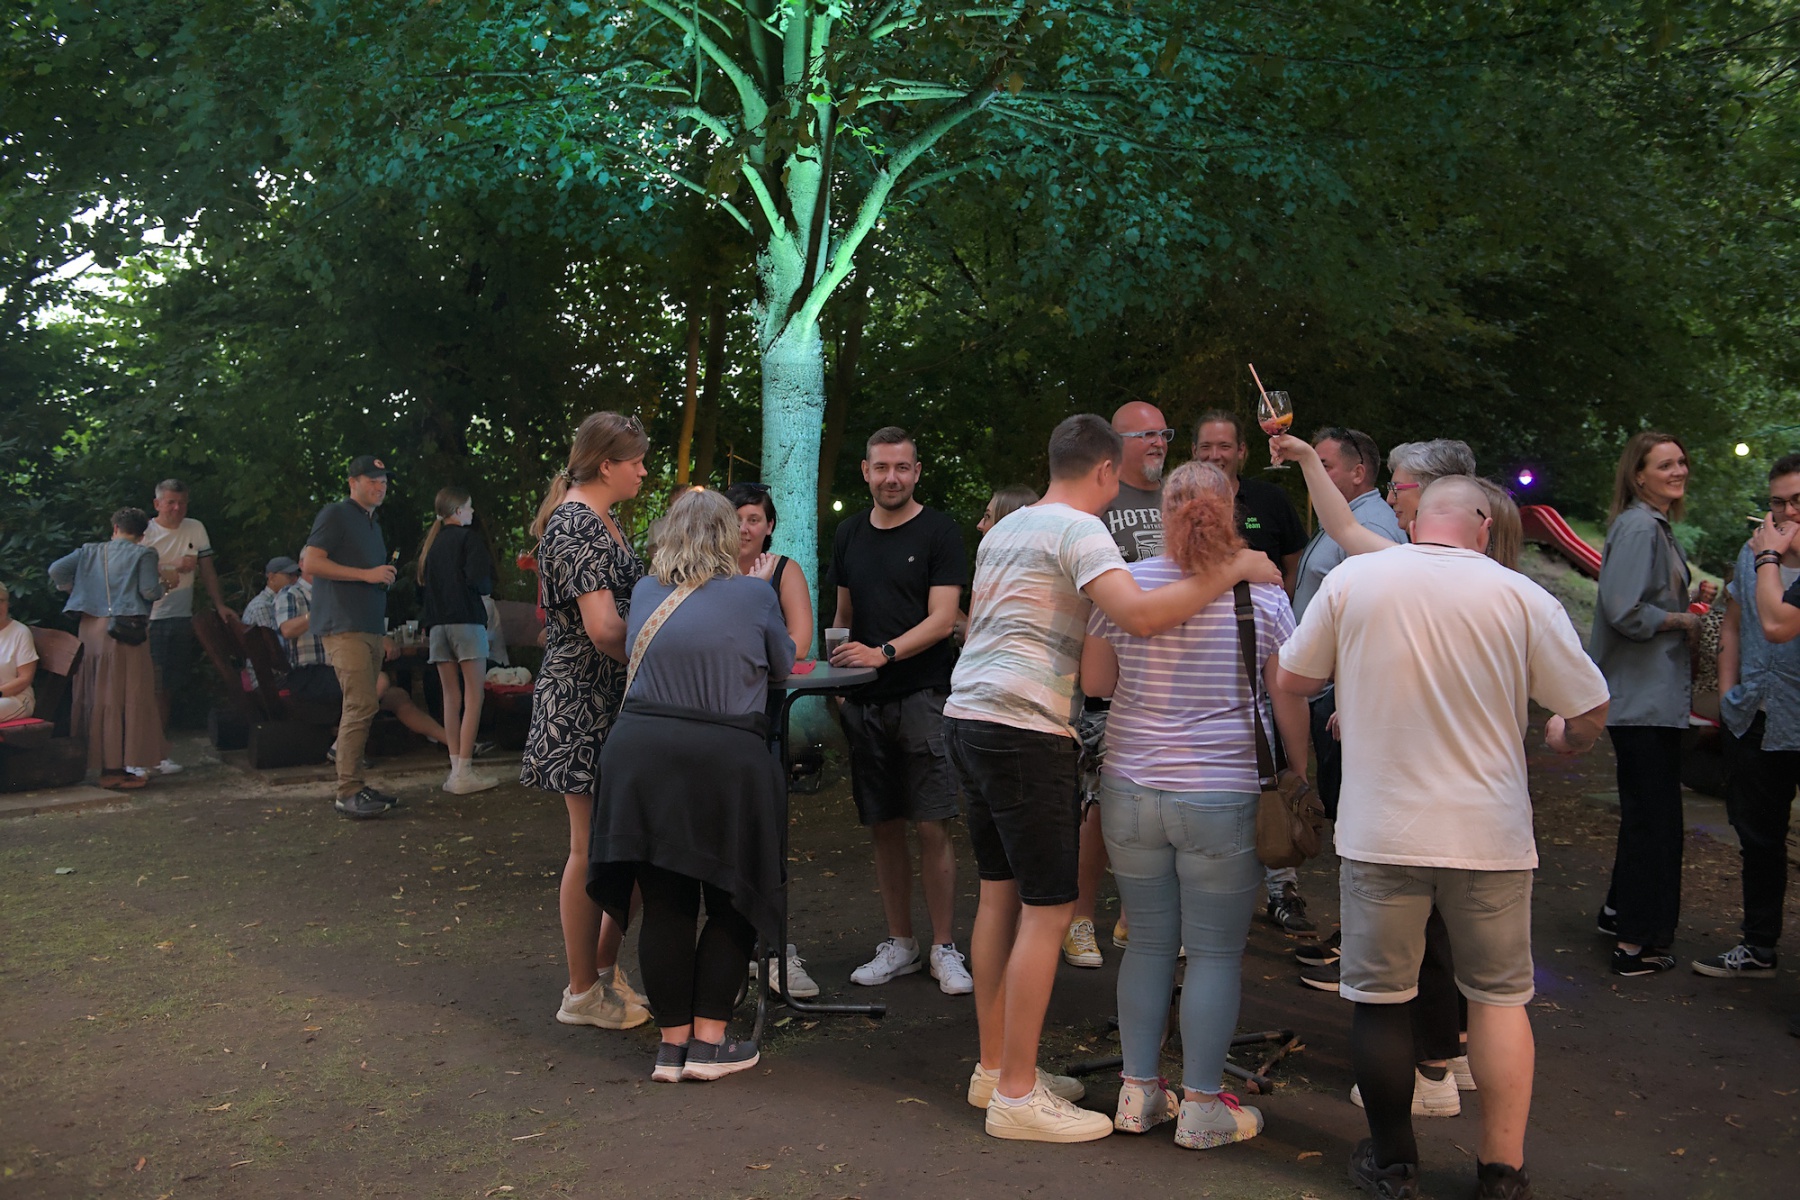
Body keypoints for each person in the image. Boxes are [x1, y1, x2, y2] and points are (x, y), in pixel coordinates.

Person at [944, 413, 1281, 1143]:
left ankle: (994, 1067)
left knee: (999, 894)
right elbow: (1140, 617)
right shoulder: (1082, 530)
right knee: (1048, 910)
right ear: (1104, 470)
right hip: (1027, 726)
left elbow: (1097, 664)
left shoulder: (1007, 526)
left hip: (968, 713)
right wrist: (1232, 569)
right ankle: (1017, 1095)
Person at [1274, 476, 1611, 1200]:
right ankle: (1502, 1172)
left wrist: (1357, 688)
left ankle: (1394, 1164)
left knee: (1381, 1000)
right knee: (1498, 1000)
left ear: (1414, 521)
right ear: (1484, 528)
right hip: (1489, 835)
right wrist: (1565, 736)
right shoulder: (1521, 596)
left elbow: (1294, 678)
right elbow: (1589, 708)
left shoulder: (1356, 579)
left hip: (1382, 831)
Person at [1080, 461, 1307, 1149]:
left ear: (1162, 511)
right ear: (1231, 507)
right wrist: (1302, 772)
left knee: (1147, 943)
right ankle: (1204, 1106)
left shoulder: (1125, 587)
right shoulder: (1263, 594)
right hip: (1223, 791)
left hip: (1130, 788)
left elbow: (1096, 683)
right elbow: (1287, 694)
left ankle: (1138, 1092)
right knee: (1213, 953)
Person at [589, 488, 795, 1082]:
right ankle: (709, 1044)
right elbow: (783, 665)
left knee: (665, 903)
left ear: (669, 535)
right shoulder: (755, 594)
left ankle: (670, 1047)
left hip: (641, 757)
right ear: (729, 537)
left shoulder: (645, 592)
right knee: (733, 895)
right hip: (723, 760)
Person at [1267, 433, 1476, 938]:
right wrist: (1306, 458)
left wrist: (1349, 692)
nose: (1389, 497)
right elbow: (1343, 527)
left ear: (1434, 495)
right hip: (1434, 760)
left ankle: (1371, 947)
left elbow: (1298, 674)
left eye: (1397, 487)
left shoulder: (1408, 566)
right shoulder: (1451, 569)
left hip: (1415, 747)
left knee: (1390, 849)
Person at [519, 412, 652, 1033]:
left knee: (625, 845)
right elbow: (602, 630)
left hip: (608, 699)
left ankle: (602, 971)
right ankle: (580, 991)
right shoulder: (576, 524)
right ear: (606, 465)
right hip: (581, 702)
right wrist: (667, 656)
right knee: (589, 847)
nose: (644, 472)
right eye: (636, 462)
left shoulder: (603, 520)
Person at [829, 427, 972, 996]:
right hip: (864, 701)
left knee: (933, 823)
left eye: (902, 467)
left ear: (917, 472)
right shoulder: (848, 533)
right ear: (865, 471)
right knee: (883, 825)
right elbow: (843, 615)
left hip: (924, 695)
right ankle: (901, 943)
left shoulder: (939, 530)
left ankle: (944, 947)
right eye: (882, 467)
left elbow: (944, 618)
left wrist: (882, 653)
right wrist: (841, 683)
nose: (892, 478)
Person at [1589, 431, 1704, 976]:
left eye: (1681, 462)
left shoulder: (1654, 526)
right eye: (1665, 465)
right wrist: (1683, 620)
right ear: (1638, 476)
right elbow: (1623, 610)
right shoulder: (1639, 527)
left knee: (1646, 814)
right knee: (1655, 823)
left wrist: (1686, 602)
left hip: (1651, 697)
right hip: (1641, 698)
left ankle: (1619, 912)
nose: (1678, 471)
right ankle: (1637, 943)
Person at [1067, 401, 1171, 969]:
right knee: (1100, 802)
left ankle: (1136, 916)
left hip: (1170, 678)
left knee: (1156, 804)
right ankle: (1080, 918)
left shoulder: (1176, 500)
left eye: (1163, 433)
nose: (1158, 442)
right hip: (1106, 676)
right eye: (1145, 434)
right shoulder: (1098, 504)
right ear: (1116, 445)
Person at [1692, 454, 1800, 980]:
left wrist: (1771, 559)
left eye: (1798, 501)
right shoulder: (1751, 552)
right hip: (1756, 715)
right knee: (1758, 838)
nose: (1787, 512)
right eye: (1778, 502)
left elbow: (1779, 624)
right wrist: (1730, 690)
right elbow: (1732, 622)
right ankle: (1758, 947)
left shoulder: (1769, 558)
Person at [303, 456, 404, 820]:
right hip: (344, 626)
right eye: (372, 480)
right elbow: (310, 563)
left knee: (365, 705)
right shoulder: (335, 514)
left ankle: (355, 784)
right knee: (360, 705)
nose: (380, 486)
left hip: (368, 626)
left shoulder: (371, 523)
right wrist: (367, 575)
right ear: (352, 482)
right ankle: (347, 791)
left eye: (384, 481)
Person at [273, 561, 450, 750]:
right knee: (379, 681)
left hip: (338, 671)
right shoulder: (291, 594)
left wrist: (381, 637)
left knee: (398, 697)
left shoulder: (335, 594)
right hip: (308, 675)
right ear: (304, 564)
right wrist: (317, 612)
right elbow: (287, 630)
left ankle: (457, 745)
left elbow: (358, 627)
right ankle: (341, 745)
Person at [48, 508, 167, 790]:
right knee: (124, 695)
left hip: (90, 630)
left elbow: (56, 570)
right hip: (124, 633)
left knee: (97, 694)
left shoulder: (89, 551)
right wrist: (166, 585)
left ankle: (107, 765)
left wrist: (77, 590)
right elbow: (149, 592)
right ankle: (113, 770)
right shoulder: (144, 554)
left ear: (115, 528)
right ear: (142, 534)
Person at [142, 479, 237, 775]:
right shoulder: (144, 532)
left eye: (182, 503)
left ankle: (157, 752)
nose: (177, 508)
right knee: (149, 687)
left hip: (180, 616)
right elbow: (129, 569)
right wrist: (169, 567)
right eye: (171, 502)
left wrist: (219, 604)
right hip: (148, 618)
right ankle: (139, 754)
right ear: (157, 503)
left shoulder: (195, 528)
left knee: (167, 687)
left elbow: (207, 569)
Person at [418, 486, 498, 795]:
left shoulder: (433, 546)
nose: (472, 512)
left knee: (450, 697)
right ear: (457, 511)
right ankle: (465, 769)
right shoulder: (469, 539)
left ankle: (454, 769)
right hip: (466, 622)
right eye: (469, 507)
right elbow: (480, 581)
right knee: (474, 696)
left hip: (438, 627)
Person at [1192, 411, 1307, 589]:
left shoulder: (1271, 498)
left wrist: (1279, 604)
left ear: (1241, 450)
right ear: (1194, 451)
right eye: (1206, 446)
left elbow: (1296, 567)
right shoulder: (1181, 504)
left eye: (1224, 446)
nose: (1214, 455)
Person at [727, 483, 814, 659]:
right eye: (735, 520)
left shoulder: (786, 570)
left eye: (753, 520)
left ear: (769, 526)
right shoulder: (708, 570)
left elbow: (800, 645)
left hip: (768, 674)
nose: (743, 529)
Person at [0, 581, 40, 722]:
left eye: (1, 601)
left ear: (8, 603)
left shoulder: (20, 632)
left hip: (15, 698)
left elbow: (25, 678)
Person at [242, 557, 302, 630]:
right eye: (290, 575)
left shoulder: (286, 600)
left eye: (297, 575)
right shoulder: (262, 606)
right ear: (272, 577)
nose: (295, 579)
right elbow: (272, 636)